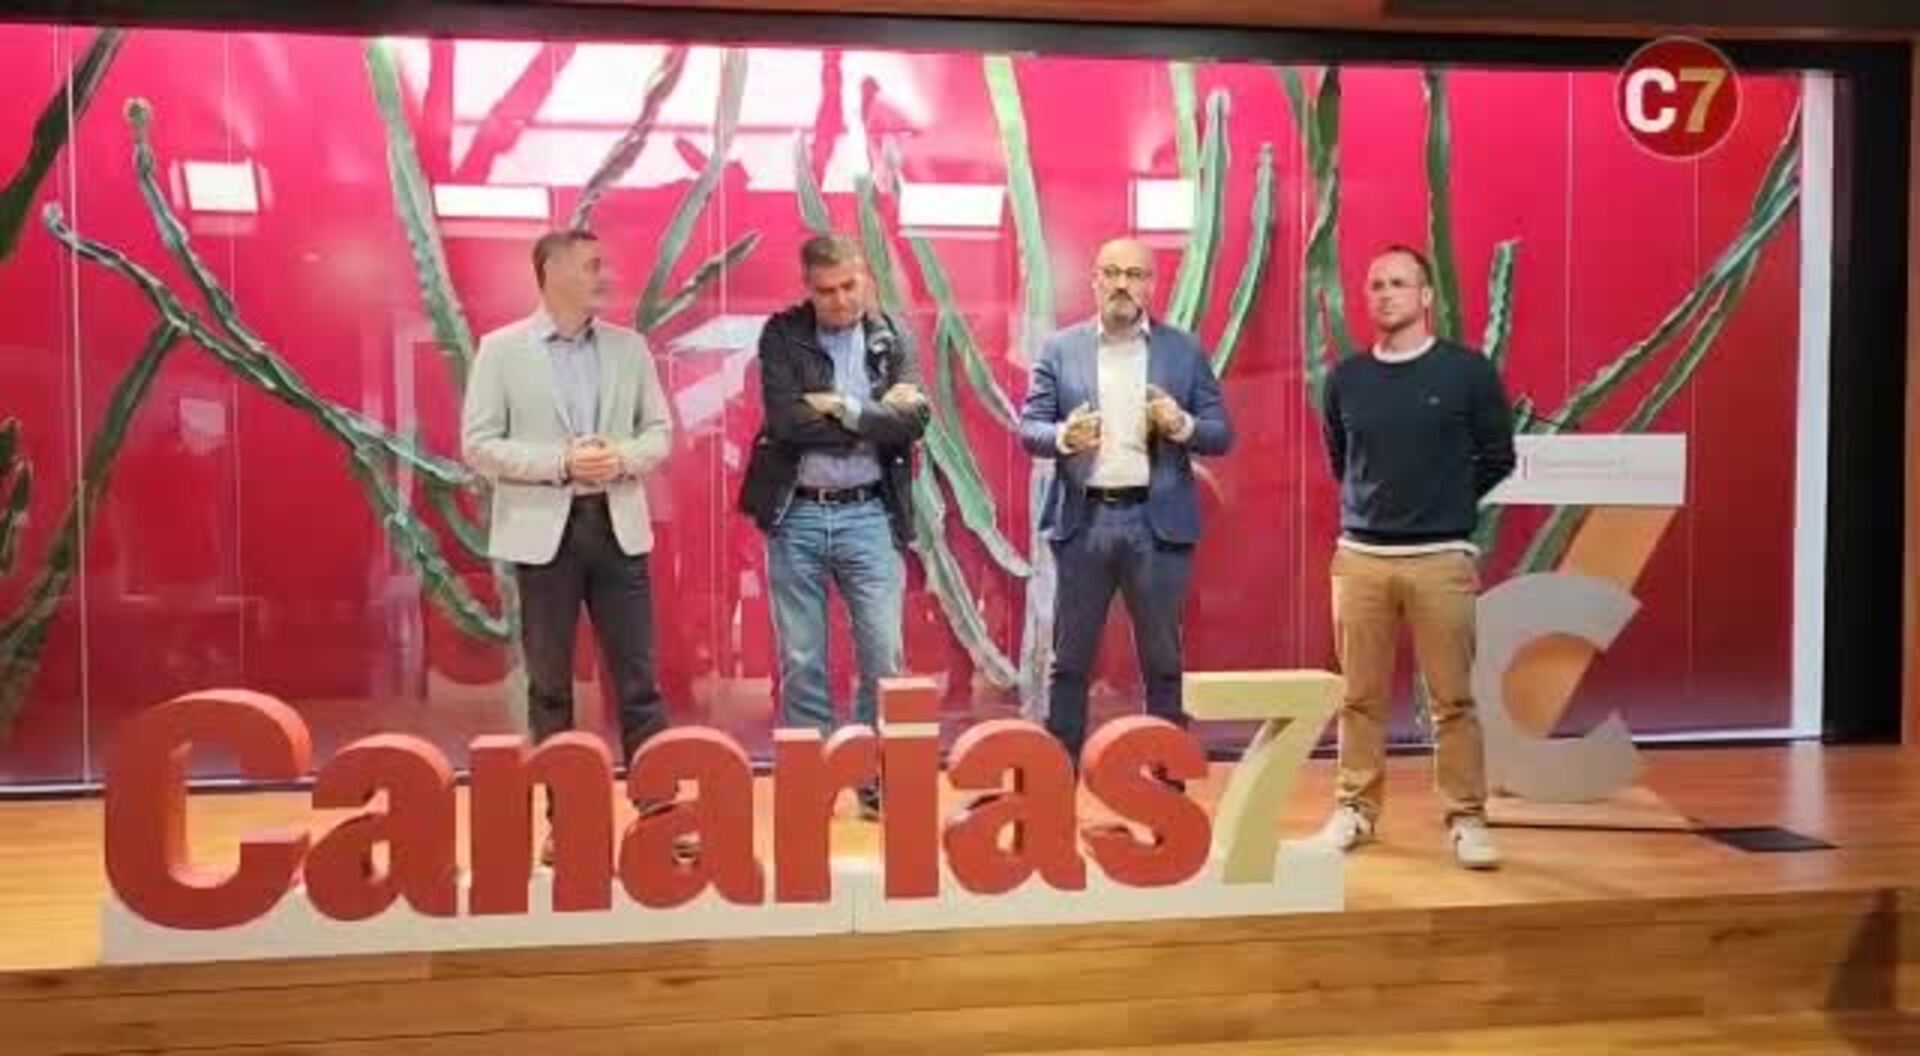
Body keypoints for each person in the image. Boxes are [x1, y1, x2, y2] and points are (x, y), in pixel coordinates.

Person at [460, 228, 678, 863]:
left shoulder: (629, 348)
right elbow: (479, 444)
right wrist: (560, 463)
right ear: (551, 271)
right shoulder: (501, 350)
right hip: (542, 537)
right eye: (591, 265)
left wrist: (620, 458)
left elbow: (658, 432)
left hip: (618, 528)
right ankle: (568, 823)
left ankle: (660, 812)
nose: (603, 275)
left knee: (638, 682)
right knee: (550, 687)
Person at [1317, 244, 1517, 870]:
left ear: (1426, 297)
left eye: (1398, 284)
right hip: (1361, 559)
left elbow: (1498, 456)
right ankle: (1355, 808)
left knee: (1452, 700)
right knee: (1359, 697)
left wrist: (1446, 502)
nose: (1385, 294)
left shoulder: (1467, 373)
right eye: (1376, 284)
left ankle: (1466, 818)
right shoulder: (1347, 379)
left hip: (1441, 560)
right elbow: (1341, 458)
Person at [1017, 237, 1232, 768]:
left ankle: (1167, 779)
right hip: (1083, 521)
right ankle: (1057, 779)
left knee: (1163, 662)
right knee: (1070, 661)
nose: (1121, 285)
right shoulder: (1061, 349)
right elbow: (1030, 428)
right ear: (1094, 281)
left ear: (1151, 285)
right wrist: (1064, 436)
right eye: (1111, 273)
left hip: (1157, 526)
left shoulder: (1183, 351)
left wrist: (1180, 424)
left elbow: (1220, 433)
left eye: (1134, 275)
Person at [738, 233, 929, 818]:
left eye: (850, 286)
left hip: (870, 512)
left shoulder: (892, 338)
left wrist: (841, 407)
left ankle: (871, 777)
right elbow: (786, 422)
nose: (841, 300)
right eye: (827, 291)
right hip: (796, 512)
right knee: (802, 662)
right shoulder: (782, 334)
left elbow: (913, 423)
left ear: (864, 277)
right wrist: (874, 419)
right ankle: (812, 782)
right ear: (808, 287)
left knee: (883, 657)